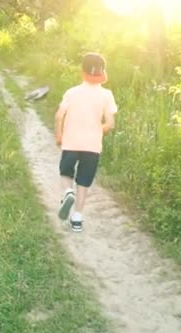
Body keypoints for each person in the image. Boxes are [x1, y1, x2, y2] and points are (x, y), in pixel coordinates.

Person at [55, 52, 118, 232]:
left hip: (71, 142)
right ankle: (77, 218)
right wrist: (98, 131)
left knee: (66, 173)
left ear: (82, 71)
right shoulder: (106, 95)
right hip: (92, 146)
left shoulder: (72, 92)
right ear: (102, 73)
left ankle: (67, 192)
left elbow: (59, 116)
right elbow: (110, 124)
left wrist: (59, 136)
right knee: (83, 181)